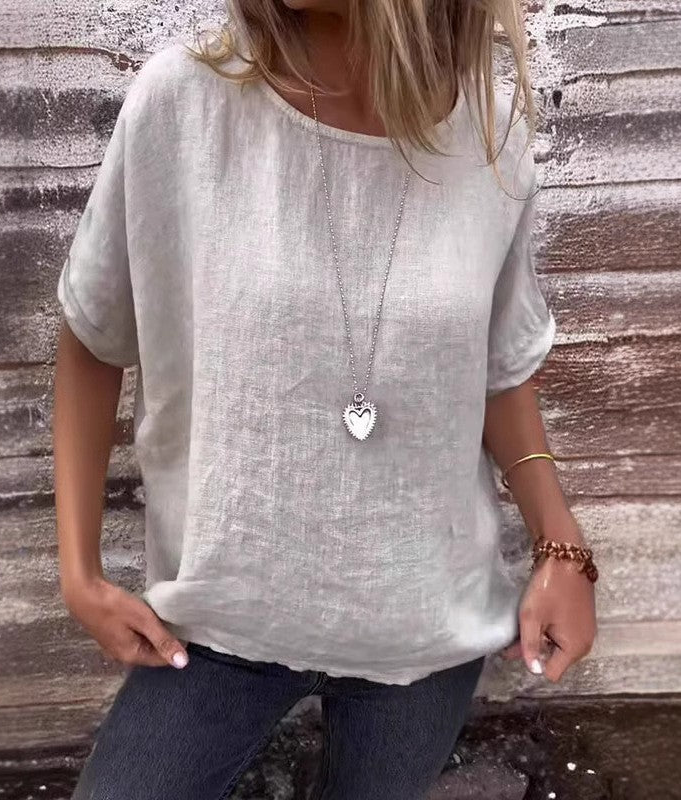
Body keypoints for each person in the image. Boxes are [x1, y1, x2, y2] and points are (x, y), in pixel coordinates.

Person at [52, 1, 597, 798]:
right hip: (214, 626)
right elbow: (92, 334)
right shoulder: (185, 105)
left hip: (422, 634)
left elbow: (497, 369)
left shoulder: (491, 136)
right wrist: (80, 574)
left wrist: (562, 548)